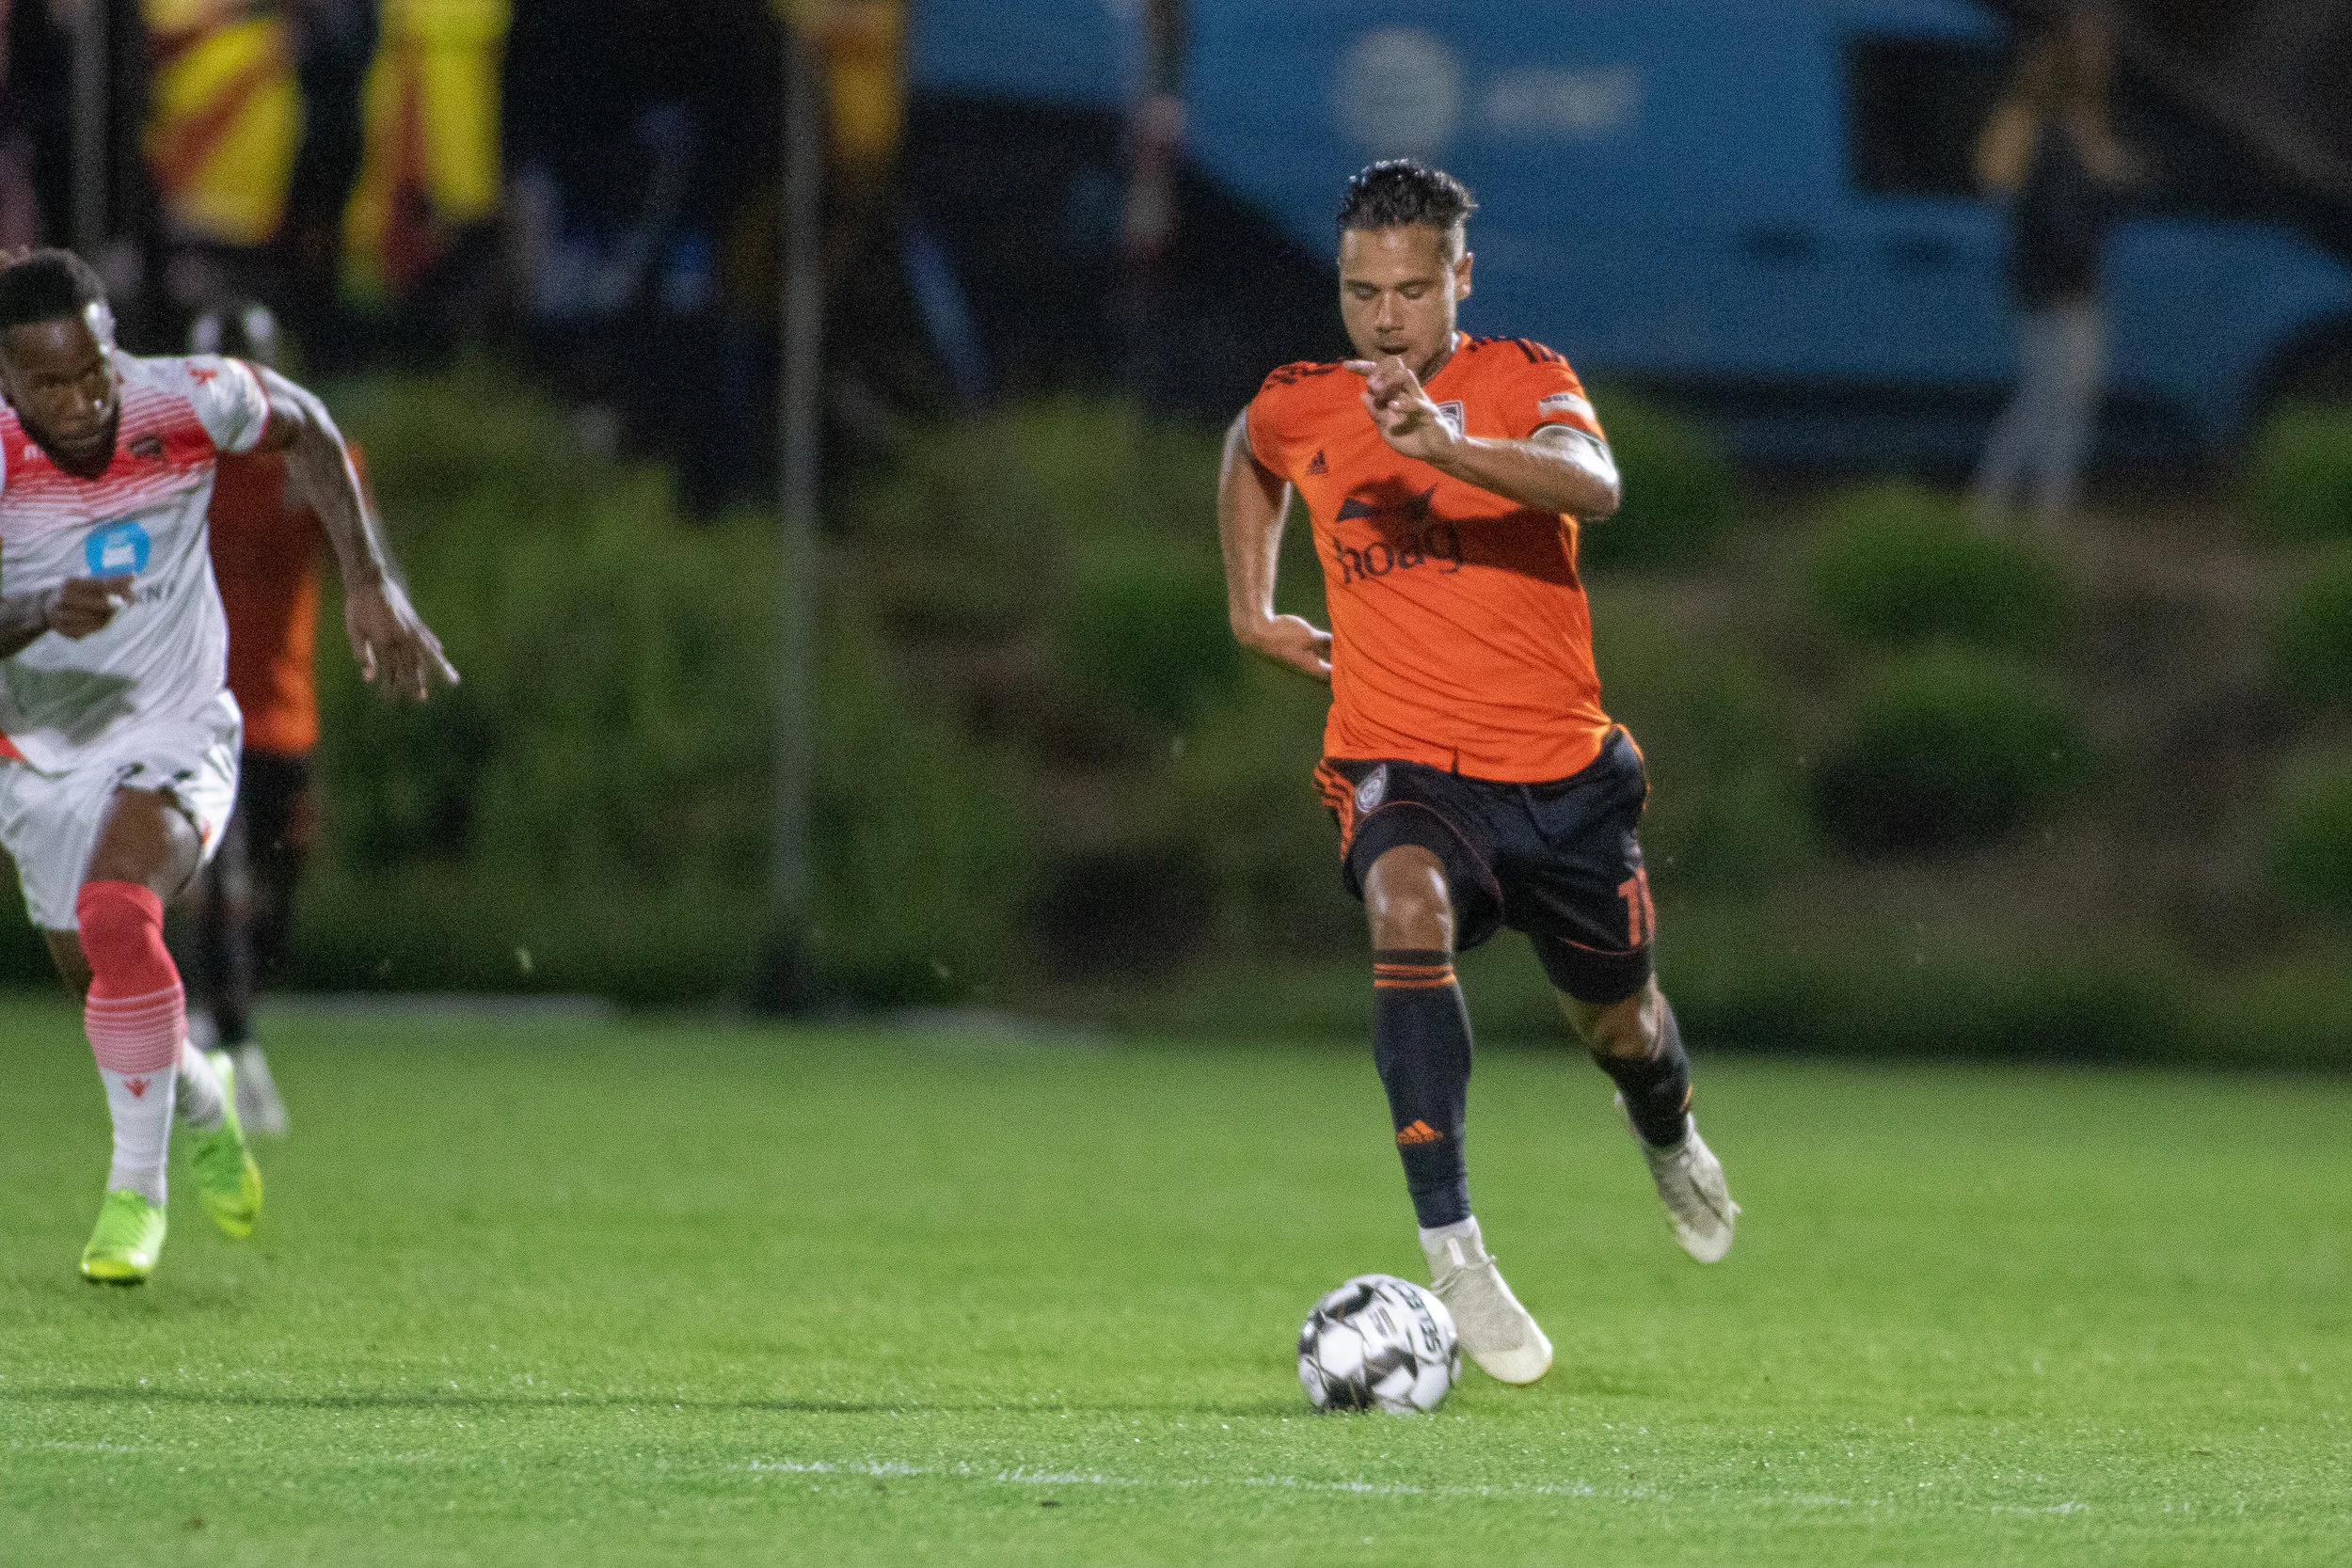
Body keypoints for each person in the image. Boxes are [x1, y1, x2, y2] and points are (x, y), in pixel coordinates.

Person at [1216, 161, 1737, 1386]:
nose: (1384, 317)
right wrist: (1252, 606)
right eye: (1359, 292)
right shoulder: (1308, 399)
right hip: (1400, 759)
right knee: (1405, 906)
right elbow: (1249, 447)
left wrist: (1450, 445)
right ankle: (1455, 1249)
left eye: (1410, 288)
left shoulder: (1522, 376)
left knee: (1621, 1019)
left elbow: (1594, 484)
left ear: (1461, 277)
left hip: (1560, 778)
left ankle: (1662, 1121)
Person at [0, 248, 455, 1284]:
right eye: (47, 385)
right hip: (37, 755)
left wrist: (370, 581)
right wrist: (32, 610)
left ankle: (136, 1195)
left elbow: (307, 422)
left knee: (124, 916)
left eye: (92, 373)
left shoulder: (189, 399)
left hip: (178, 725)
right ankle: (201, 1096)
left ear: (114, 345)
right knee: (104, 983)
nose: (78, 402)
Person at [180, 301, 320, 1135]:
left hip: (286, 713)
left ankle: (221, 1018)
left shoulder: (310, 461)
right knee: (222, 885)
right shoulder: (177, 469)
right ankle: (238, 1049)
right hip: (197, 708)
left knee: (278, 897)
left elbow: (364, 546)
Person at [1972, 6, 2137, 527]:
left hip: (2064, 282)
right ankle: (1999, 508)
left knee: (2068, 395)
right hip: (2056, 284)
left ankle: (2041, 507)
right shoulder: (2043, 132)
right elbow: (2040, 213)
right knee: (2049, 394)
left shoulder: (2074, 131)